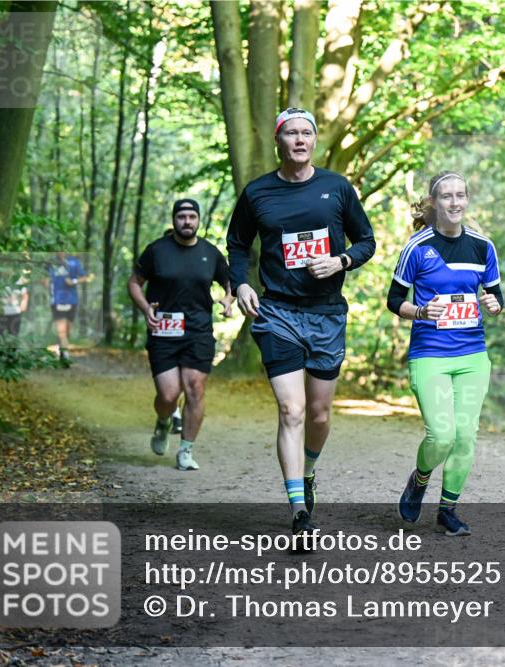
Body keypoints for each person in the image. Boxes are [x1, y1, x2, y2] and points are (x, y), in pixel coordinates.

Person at [226, 108, 375, 542]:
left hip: (327, 313)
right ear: (278, 140)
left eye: (306, 132)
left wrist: (341, 260)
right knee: (291, 410)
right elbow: (237, 244)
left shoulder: (337, 188)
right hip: (278, 313)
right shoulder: (258, 193)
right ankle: (298, 512)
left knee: (319, 413)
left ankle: (308, 472)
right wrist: (240, 285)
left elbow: (366, 240)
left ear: (314, 141)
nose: (299, 139)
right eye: (290, 132)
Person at [387, 171, 504, 536]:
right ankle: (420, 479)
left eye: (460, 196)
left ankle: (448, 510)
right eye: (446, 197)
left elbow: (496, 297)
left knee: (465, 435)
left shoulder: (483, 246)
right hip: (430, 354)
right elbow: (394, 301)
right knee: (442, 435)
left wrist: (493, 304)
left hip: (472, 355)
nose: (454, 203)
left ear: (467, 200)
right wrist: (421, 311)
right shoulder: (417, 247)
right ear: (434, 203)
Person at [128, 198, 234, 471]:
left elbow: (228, 282)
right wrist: (144, 309)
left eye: (192, 217)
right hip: (163, 330)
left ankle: (185, 452)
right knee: (168, 396)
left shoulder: (210, 253)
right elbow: (135, 283)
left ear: (198, 220)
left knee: (195, 390)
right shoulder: (156, 251)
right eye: (182, 216)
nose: (187, 221)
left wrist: (227, 299)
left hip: (198, 331)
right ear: (174, 220)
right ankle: (163, 421)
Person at [47, 252, 92, 363]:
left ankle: (61, 349)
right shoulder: (50, 263)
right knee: (61, 329)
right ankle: (65, 356)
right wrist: (45, 282)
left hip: (71, 300)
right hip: (56, 300)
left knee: (67, 330)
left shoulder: (74, 262)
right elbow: (42, 277)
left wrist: (73, 281)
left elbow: (86, 277)